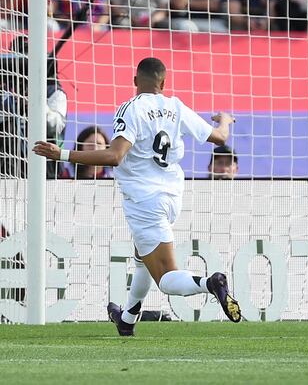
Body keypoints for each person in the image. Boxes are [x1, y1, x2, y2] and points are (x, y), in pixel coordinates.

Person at [33, 57, 241, 335]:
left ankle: (211, 283)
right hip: (171, 197)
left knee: (166, 278)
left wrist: (62, 153)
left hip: (145, 200)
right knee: (141, 255)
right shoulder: (175, 106)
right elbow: (219, 137)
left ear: (135, 81)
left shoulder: (130, 109)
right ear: (163, 83)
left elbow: (114, 156)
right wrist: (225, 120)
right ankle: (128, 319)